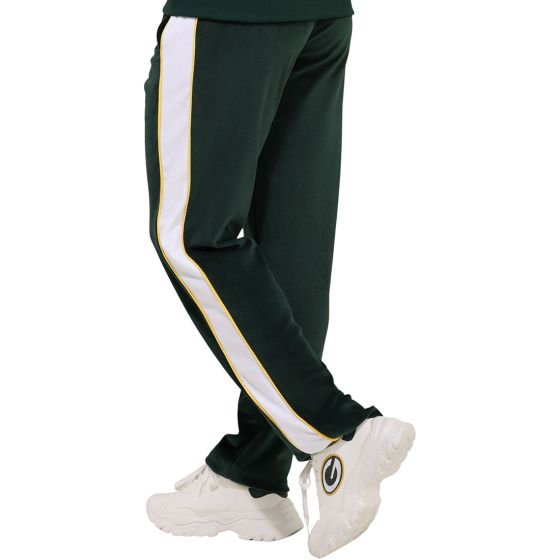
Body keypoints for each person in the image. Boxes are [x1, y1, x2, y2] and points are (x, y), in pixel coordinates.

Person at [143, 1, 415, 556]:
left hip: (228, 13)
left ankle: (336, 431)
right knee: (291, 245)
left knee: (194, 235)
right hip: (320, 15)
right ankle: (254, 473)